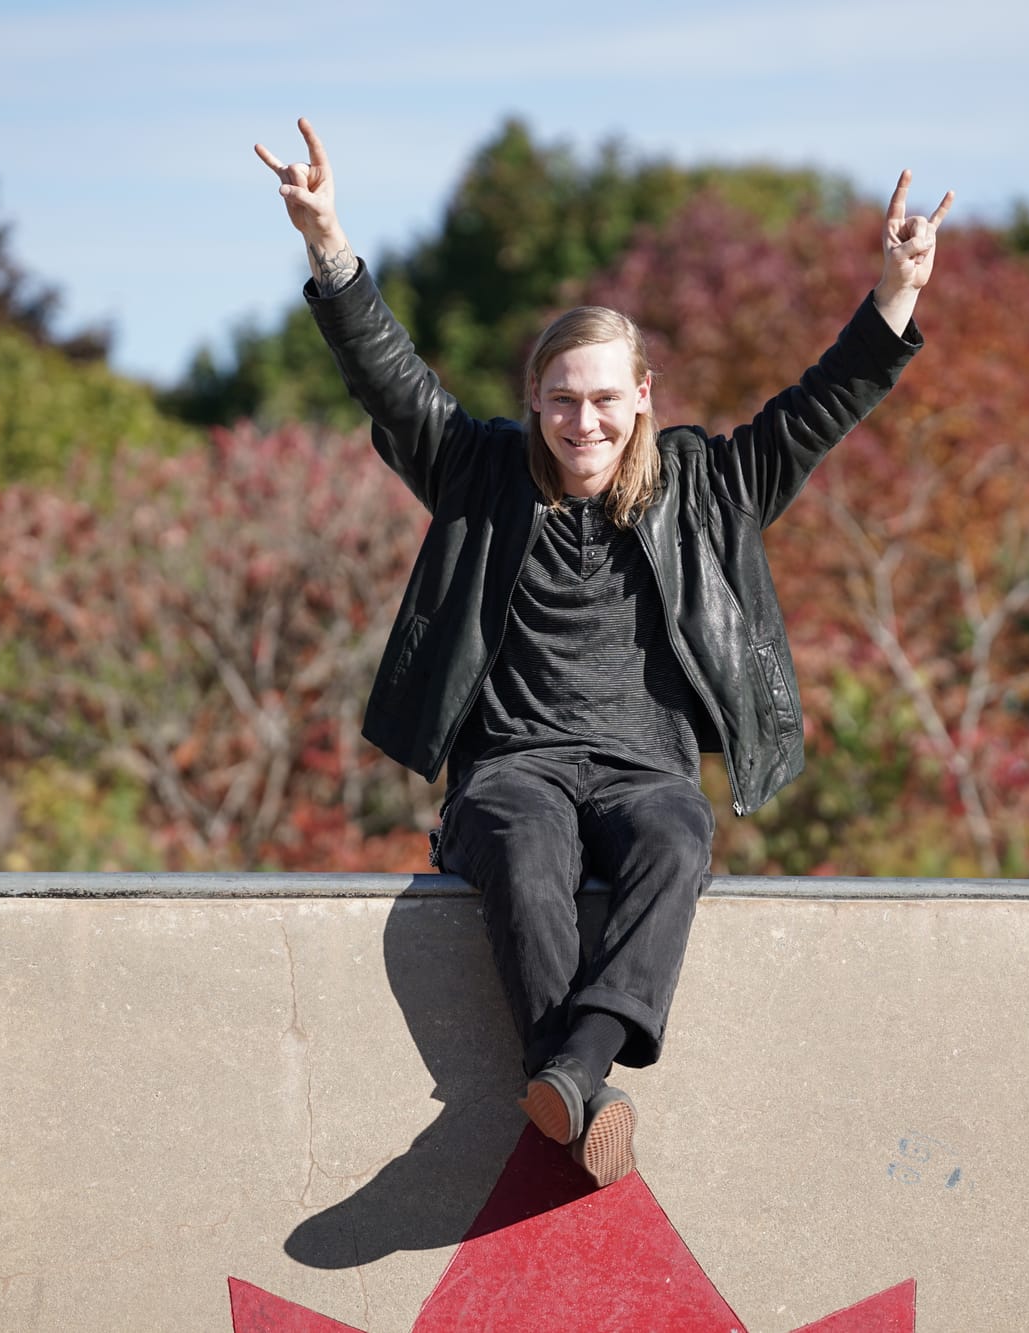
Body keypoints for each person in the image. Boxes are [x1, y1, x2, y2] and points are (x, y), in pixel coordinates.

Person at [256, 118, 951, 1188]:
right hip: (512, 767)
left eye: (604, 400)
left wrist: (896, 294)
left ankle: (572, 1071)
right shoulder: (477, 474)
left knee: (677, 837)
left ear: (640, 405)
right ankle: (583, 1085)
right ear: (534, 399)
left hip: (643, 770)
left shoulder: (709, 490)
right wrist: (328, 242)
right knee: (519, 843)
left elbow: (819, 408)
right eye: (564, 398)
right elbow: (385, 377)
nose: (583, 420)